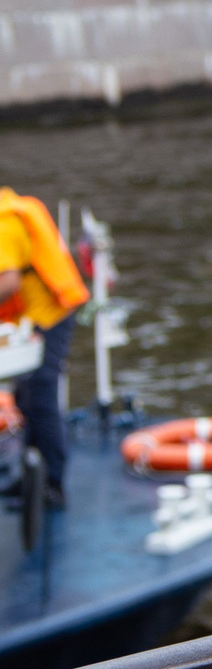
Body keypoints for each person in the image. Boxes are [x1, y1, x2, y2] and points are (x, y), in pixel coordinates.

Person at [0, 188, 89, 505]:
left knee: (40, 399)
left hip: (47, 317)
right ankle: (29, 478)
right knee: (26, 397)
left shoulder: (3, 226)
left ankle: (52, 483)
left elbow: (9, 280)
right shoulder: (12, 207)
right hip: (38, 317)